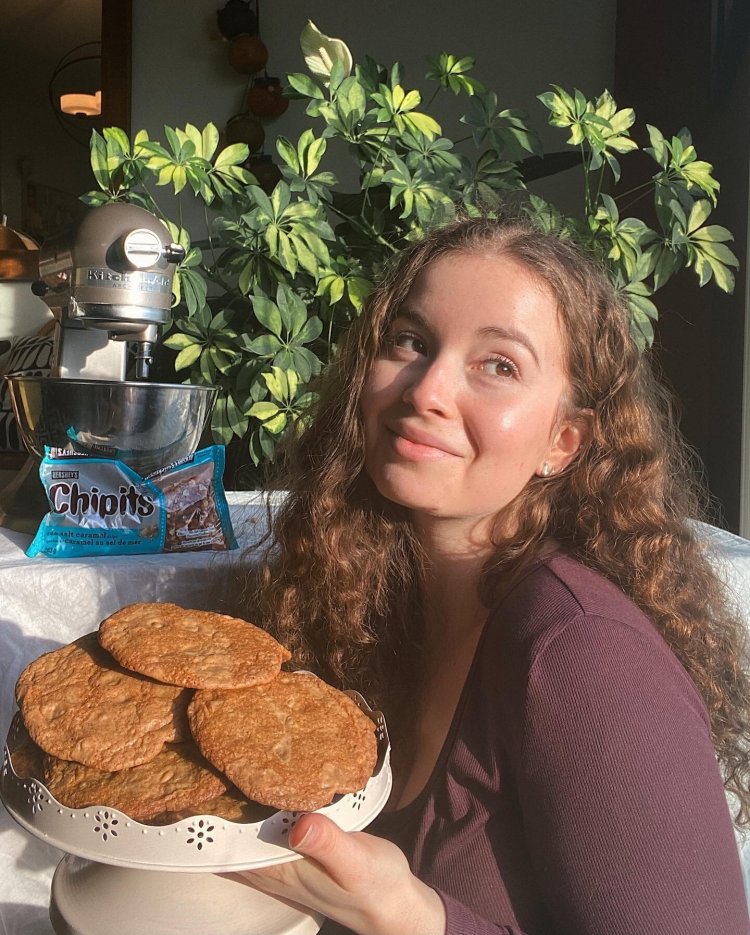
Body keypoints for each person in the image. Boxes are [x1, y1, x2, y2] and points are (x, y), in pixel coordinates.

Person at [236, 215, 750, 934]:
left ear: (564, 442)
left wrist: (410, 915)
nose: (427, 389)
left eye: (499, 365)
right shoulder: (366, 604)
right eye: (410, 341)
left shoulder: (581, 653)